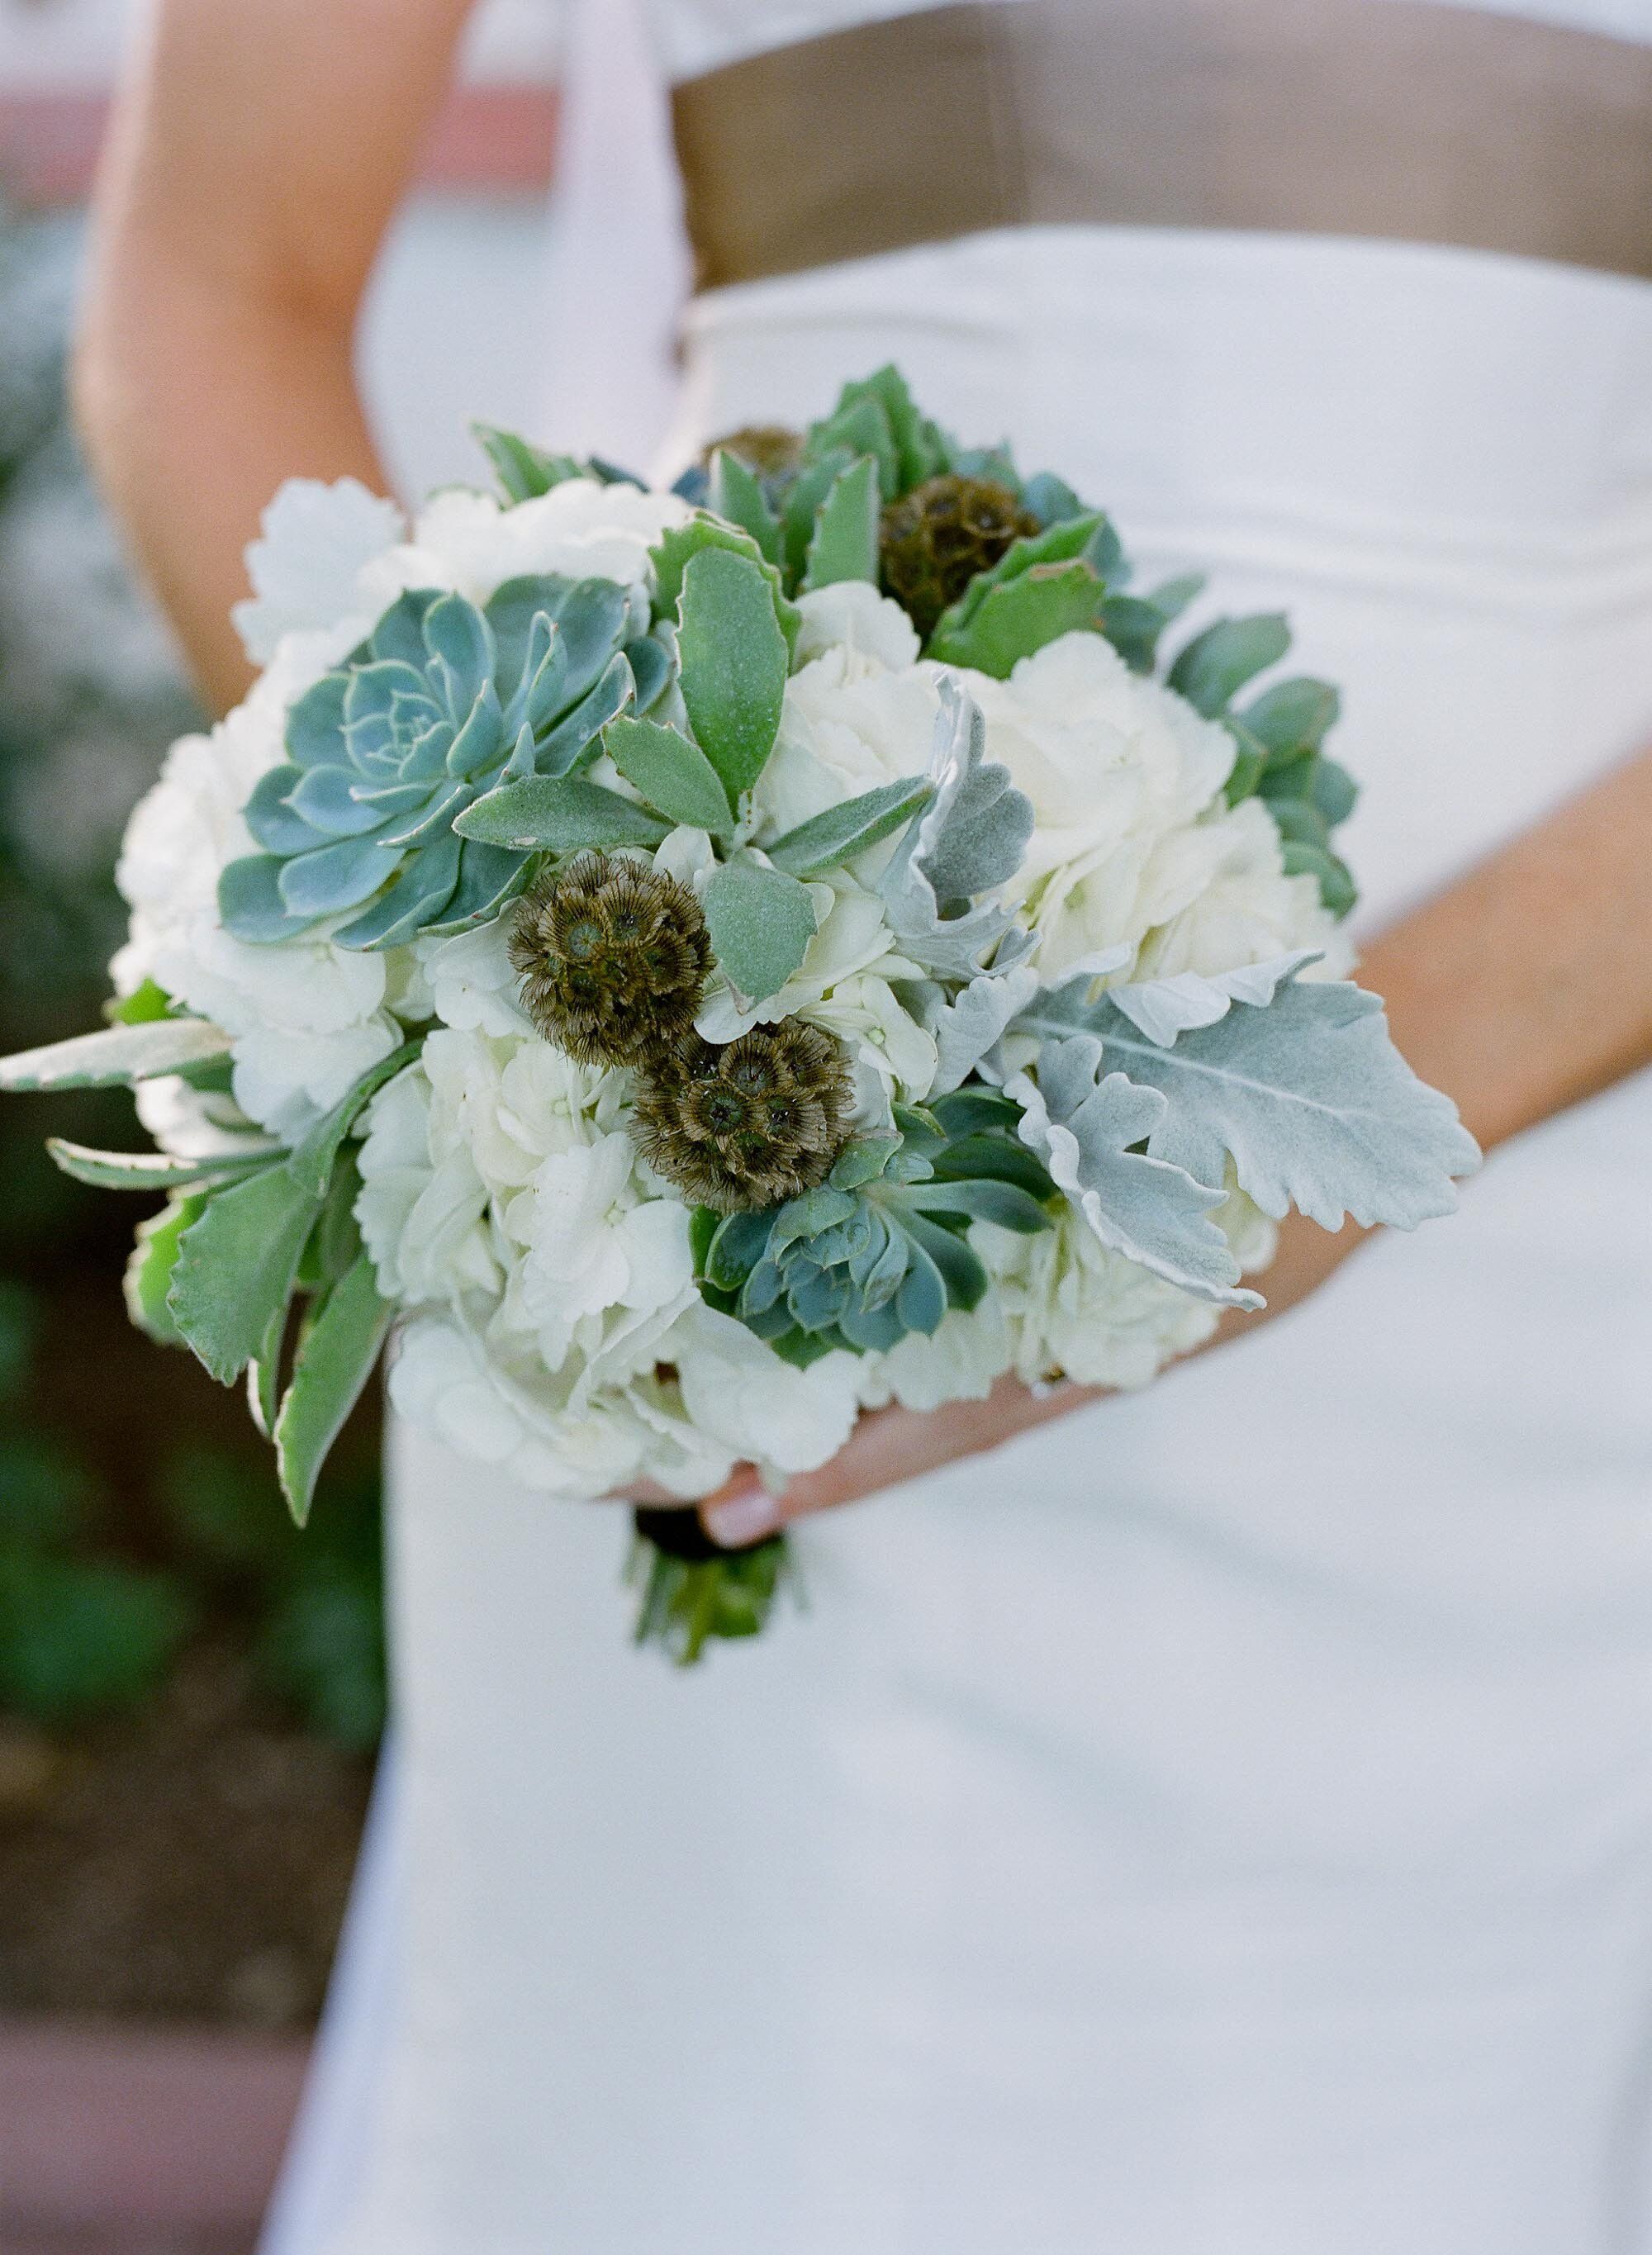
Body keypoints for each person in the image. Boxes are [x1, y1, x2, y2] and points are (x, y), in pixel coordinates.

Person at [77, 0, 1652, 2248]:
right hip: (738, 1135)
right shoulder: (656, 1081)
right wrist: (532, 975)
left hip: (1547, 1255)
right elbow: (214, 284)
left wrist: (1321, 1118)